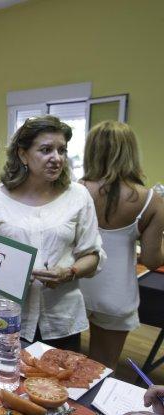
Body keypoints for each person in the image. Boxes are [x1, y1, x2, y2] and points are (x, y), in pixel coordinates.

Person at [0, 116, 104, 351]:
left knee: (57, 385)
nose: (56, 158)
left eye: (61, 150)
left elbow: (92, 255)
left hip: (59, 318)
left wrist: (69, 271)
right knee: (3, 381)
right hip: (6, 315)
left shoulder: (78, 196)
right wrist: (13, 273)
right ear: (23, 154)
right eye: (46, 150)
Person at [79, 121, 164, 370]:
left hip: (75, 286)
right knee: (102, 367)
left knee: (61, 364)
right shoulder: (151, 200)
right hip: (116, 294)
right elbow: (151, 259)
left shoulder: (74, 190)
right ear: (131, 152)